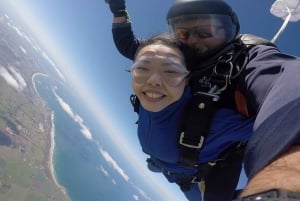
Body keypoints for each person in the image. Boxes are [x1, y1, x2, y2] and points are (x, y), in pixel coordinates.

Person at [105, 0, 300, 200]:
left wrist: (283, 187)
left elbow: (290, 82)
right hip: (167, 162)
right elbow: (128, 44)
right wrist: (119, 11)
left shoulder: (247, 60)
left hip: (208, 169)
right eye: (182, 34)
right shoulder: (170, 56)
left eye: (205, 33)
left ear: (230, 31)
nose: (193, 42)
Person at [128, 33, 253, 201]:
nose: (153, 80)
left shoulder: (212, 123)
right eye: (142, 68)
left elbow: (279, 124)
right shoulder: (147, 98)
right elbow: (124, 42)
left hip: (193, 182)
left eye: (171, 71)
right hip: (165, 165)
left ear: (187, 79)